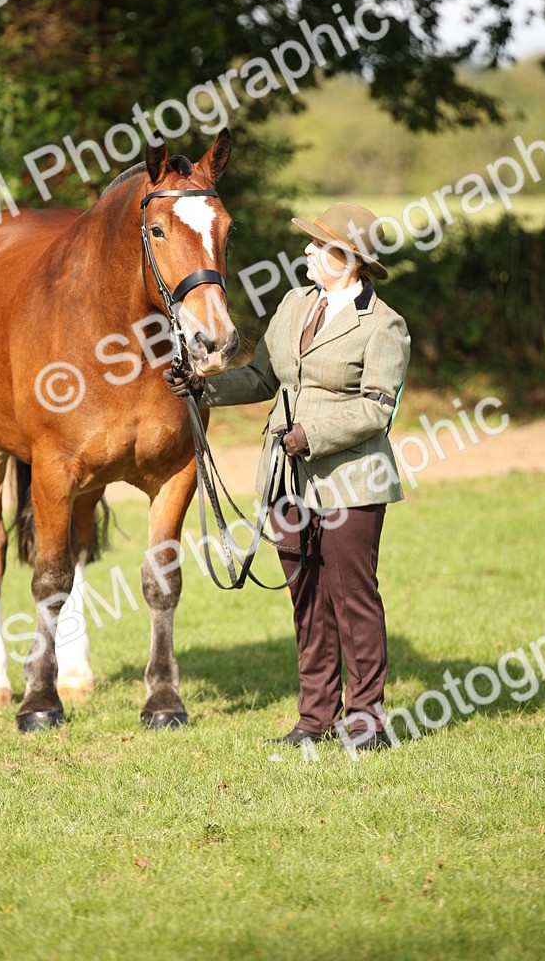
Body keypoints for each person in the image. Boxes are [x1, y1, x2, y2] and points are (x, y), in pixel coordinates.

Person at [165, 201, 410, 752]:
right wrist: (204, 388)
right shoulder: (294, 305)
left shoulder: (384, 326)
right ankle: (315, 717)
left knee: (353, 598)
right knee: (306, 598)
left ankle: (368, 718)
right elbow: (259, 377)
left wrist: (311, 435)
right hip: (285, 478)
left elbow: (376, 409)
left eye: (317, 246)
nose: (305, 251)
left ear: (346, 259)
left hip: (352, 479)